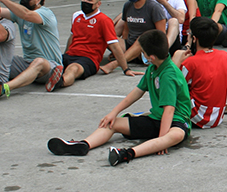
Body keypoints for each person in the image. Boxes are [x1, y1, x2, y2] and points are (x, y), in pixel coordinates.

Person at [47, 30, 191, 166]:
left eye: (143, 53)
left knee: (175, 136)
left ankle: (126, 154)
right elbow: (136, 92)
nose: (142, 55)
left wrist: (162, 139)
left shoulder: (168, 75)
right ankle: (83, 145)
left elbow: (169, 110)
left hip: (176, 121)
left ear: (151, 57)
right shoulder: (152, 68)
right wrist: (113, 113)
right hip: (156, 118)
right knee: (111, 123)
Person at [45, 0, 136, 91]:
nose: (85, 2)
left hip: (88, 59)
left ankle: (61, 82)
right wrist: (64, 56)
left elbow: (115, 47)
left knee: (73, 68)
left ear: (98, 4)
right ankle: (38, 76)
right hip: (70, 54)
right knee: (45, 63)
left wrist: (126, 69)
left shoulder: (104, 20)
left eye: (89, 0)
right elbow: (72, 37)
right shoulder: (76, 15)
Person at [0, 0, 63, 98]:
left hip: (50, 67)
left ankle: (6, 87)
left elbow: (27, 15)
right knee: (1, 57)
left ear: (38, 0)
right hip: (27, 64)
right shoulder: (19, 13)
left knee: (39, 62)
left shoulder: (46, 14)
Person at [101, 0, 167, 73]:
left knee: (142, 38)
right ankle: (125, 56)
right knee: (105, 36)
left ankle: (115, 64)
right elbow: (126, 30)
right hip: (129, 45)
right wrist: (118, 50)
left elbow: (161, 35)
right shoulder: (128, 6)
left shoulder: (154, 8)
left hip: (146, 50)